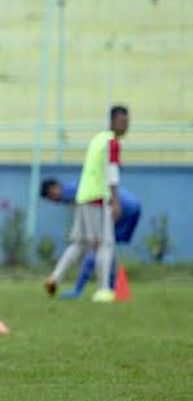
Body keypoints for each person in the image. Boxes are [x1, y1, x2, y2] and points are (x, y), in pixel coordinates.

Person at [44, 106, 129, 303]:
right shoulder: (111, 142)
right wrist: (116, 201)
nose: (125, 126)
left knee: (80, 243)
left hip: (84, 196)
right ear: (113, 121)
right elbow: (112, 174)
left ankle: (54, 277)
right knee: (105, 244)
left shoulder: (98, 139)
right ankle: (103, 290)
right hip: (98, 198)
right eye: (122, 121)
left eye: (127, 122)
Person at [40, 177, 141, 298]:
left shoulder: (70, 192)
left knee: (97, 245)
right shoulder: (74, 188)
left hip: (122, 209)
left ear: (54, 188)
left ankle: (83, 289)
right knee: (105, 247)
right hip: (130, 206)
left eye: (51, 196)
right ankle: (109, 288)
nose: (54, 201)